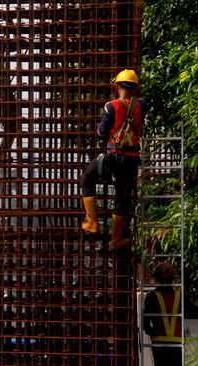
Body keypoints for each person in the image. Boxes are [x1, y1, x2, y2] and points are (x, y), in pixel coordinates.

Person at [80, 69, 148, 249]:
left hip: (114, 157)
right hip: (132, 159)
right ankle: (116, 239)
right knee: (122, 198)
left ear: (117, 86)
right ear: (136, 88)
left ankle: (92, 222)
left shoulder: (111, 106)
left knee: (87, 177)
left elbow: (102, 132)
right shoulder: (143, 104)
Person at [143, 261, 182, 365]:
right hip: (177, 345)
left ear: (157, 279)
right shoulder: (180, 296)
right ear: (172, 279)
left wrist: (153, 332)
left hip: (159, 345)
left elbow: (145, 323)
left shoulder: (151, 297)